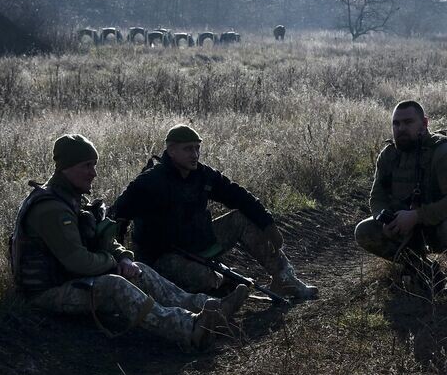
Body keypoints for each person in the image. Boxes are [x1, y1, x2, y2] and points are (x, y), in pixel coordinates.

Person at [9, 134, 250, 349]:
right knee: (116, 285)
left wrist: (124, 257)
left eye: (94, 165)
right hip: (47, 293)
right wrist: (113, 264)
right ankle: (190, 329)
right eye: (86, 166)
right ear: (66, 168)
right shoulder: (52, 209)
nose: (93, 172)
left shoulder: (72, 199)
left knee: (139, 271)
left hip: (72, 280)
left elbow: (103, 239)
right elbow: (78, 262)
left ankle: (209, 306)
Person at [112, 124, 317, 300]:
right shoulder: (148, 182)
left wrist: (267, 224)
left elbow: (239, 196)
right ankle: (221, 285)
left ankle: (285, 280)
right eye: (188, 149)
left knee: (241, 218)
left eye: (197, 148)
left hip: (200, 245)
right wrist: (121, 260)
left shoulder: (203, 175)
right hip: (163, 258)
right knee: (202, 277)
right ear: (171, 151)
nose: (195, 155)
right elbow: (116, 216)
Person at [354, 100, 447, 296]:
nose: (401, 128)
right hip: (412, 227)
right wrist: (384, 218)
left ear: (424, 124)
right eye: (396, 124)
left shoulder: (444, 153)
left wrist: (416, 216)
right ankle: (424, 271)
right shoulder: (389, 156)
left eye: (408, 122)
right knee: (364, 230)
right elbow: (377, 197)